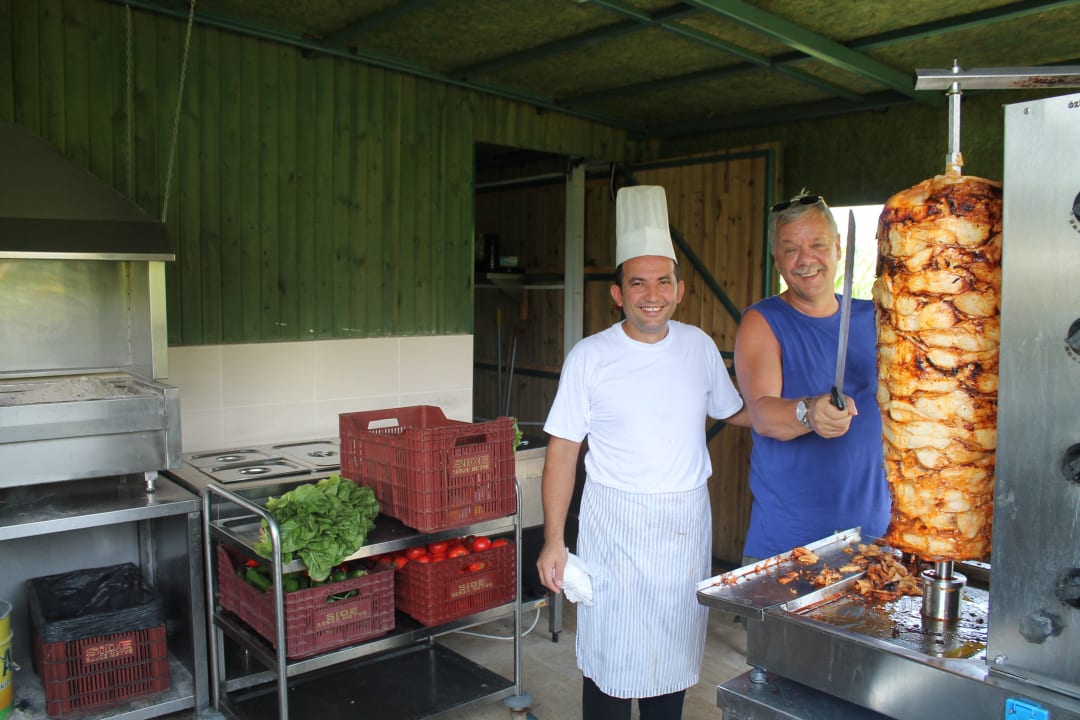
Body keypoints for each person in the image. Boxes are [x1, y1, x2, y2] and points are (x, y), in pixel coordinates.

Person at [536, 185, 749, 720]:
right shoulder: (591, 357)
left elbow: (734, 410)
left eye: (662, 281)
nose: (650, 294)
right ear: (618, 293)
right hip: (615, 525)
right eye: (637, 282)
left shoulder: (699, 346)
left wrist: (799, 412)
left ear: (679, 289)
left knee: (671, 658)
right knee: (610, 661)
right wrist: (554, 541)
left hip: (683, 525)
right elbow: (562, 452)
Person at [733, 192, 889, 564]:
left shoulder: (878, 318)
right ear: (777, 260)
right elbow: (763, 414)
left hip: (877, 539)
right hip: (790, 545)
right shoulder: (763, 321)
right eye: (791, 250)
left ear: (837, 247)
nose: (806, 260)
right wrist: (809, 412)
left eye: (817, 245)